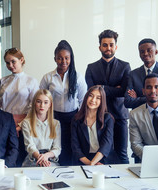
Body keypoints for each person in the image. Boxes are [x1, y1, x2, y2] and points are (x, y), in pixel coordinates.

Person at [85, 29, 130, 164]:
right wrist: (114, 89)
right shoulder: (91, 68)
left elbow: (124, 92)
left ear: (116, 46)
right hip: (100, 117)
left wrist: (102, 88)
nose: (108, 48)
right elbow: (91, 92)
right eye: (105, 45)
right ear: (100, 47)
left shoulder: (125, 66)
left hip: (120, 116)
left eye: (111, 44)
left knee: (122, 153)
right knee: (103, 154)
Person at [40, 40, 87, 166]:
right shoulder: (48, 77)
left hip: (73, 118)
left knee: (70, 148)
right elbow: (41, 99)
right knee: (54, 148)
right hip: (53, 118)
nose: (63, 61)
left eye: (67, 58)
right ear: (55, 59)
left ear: (71, 58)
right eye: (60, 58)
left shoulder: (78, 77)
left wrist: (81, 119)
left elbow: (83, 101)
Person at [0, 48, 39, 166]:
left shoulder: (31, 81)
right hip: (5, 122)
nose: (10, 65)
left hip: (24, 123)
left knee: (22, 155)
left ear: (21, 60)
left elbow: (34, 106)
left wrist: (21, 125)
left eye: (13, 61)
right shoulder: (3, 81)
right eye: (7, 63)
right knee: (6, 155)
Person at [125, 38, 158, 109]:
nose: (145, 53)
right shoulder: (133, 74)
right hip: (140, 116)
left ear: (156, 52)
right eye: (142, 51)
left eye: (149, 50)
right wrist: (155, 97)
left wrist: (138, 98)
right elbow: (128, 102)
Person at [71, 86, 114, 165]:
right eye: (91, 96)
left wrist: (94, 162)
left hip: (103, 159)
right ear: (86, 97)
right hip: (83, 160)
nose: (93, 100)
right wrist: (90, 163)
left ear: (102, 101)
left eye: (98, 98)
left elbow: (106, 144)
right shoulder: (76, 119)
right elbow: (75, 146)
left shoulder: (107, 118)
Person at [21, 89, 61, 167]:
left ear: (50, 105)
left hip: (49, 159)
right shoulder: (26, 123)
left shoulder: (56, 124)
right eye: (39, 102)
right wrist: (40, 157)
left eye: (46, 102)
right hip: (33, 159)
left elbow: (57, 148)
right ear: (34, 103)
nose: (42, 105)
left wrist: (46, 156)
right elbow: (30, 146)